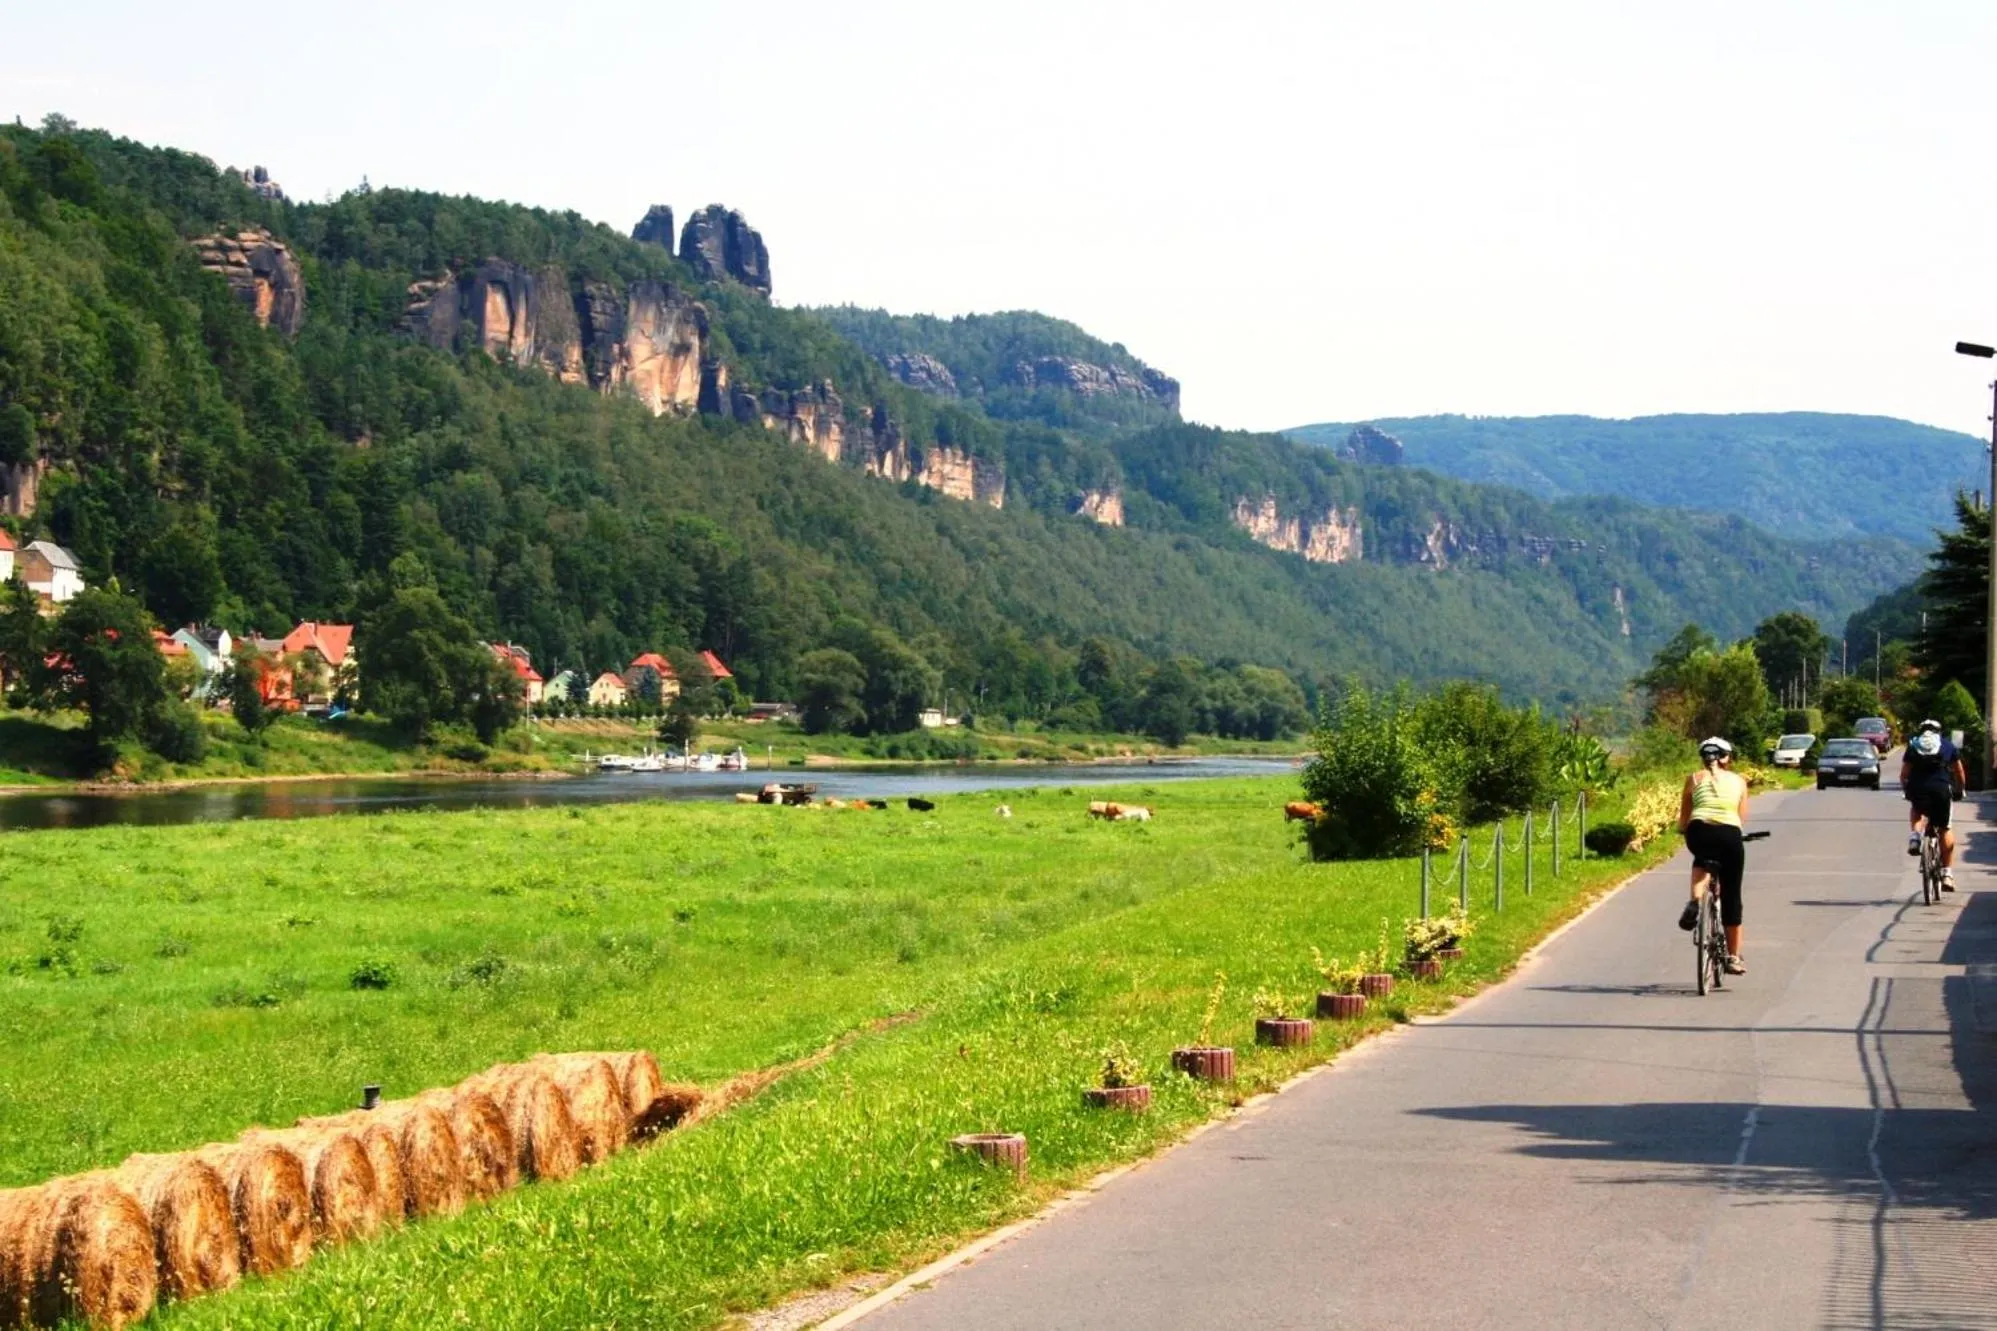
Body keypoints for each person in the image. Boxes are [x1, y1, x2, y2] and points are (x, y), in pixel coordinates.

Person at [1676, 736, 1750, 974]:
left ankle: (1695, 901)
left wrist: (1683, 830)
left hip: (1699, 831)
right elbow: (1740, 818)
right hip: (1729, 834)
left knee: (1702, 861)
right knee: (1732, 894)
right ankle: (1733, 957)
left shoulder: (1693, 779)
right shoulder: (1739, 781)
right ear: (1726, 758)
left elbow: (1684, 819)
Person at [1901, 719, 1966, 891]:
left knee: (1917, 810)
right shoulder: (1947, 746)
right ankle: (1947, 874)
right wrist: (1960, 789)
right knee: (1945, 828)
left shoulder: (1913, 745)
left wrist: (1906, 789)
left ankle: (1915, 837)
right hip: (1941, 790)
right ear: (1939, 731)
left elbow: (1904, 773)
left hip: (1918, 789)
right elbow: (1959, 771)